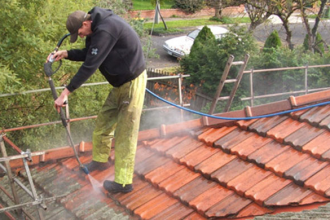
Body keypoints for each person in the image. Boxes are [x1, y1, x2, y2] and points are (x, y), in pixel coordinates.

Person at [48, 7, 147, 193]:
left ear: (85, 24)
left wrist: (65, 93)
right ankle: (101, 160)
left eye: (80, 33)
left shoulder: (106, 29)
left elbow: (90, 66)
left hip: (132, 82)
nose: (82, 36)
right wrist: (67, 53)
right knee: (104, 121)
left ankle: (124, 182)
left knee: (126, 132)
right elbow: (90, 53)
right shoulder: (95, 29)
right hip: (119, 83)